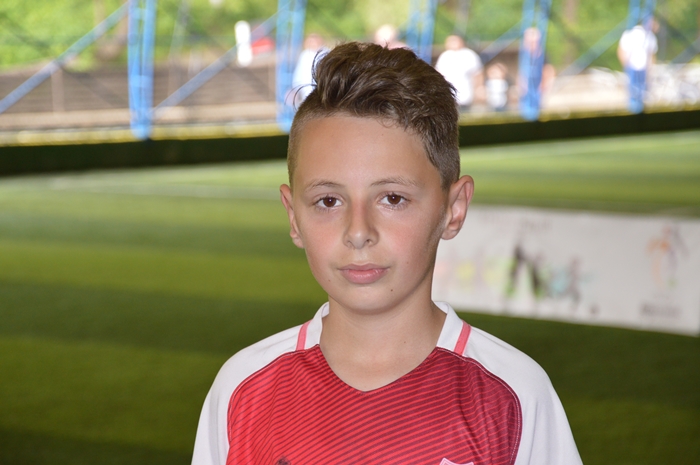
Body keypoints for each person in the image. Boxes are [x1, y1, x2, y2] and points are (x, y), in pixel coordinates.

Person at [191, 42, 582, 465]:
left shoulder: (514, 396)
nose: (359, 232)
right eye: (328, 201)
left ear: (453, 209)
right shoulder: (243, 390)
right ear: (293, 215)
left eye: (393, 198)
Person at [617, 20, 658, 113]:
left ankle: (637, 109)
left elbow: (651, 54)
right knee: (635, 92)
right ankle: (634, 110)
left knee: (641, 92)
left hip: (641, 68)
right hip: (634, 67)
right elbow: (652, 54)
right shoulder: (644, 35)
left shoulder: (647, 35)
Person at [435, 35, 483, 111]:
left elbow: (477, 74)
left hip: (465, 93)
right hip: (448, 95)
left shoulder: (469, 55)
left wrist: (478, 88)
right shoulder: (444, 56)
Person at [291, 33, 328, 105]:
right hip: (306, 90)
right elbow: (299, 73)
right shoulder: (304, 55)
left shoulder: (325, 53)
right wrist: (295, 89)